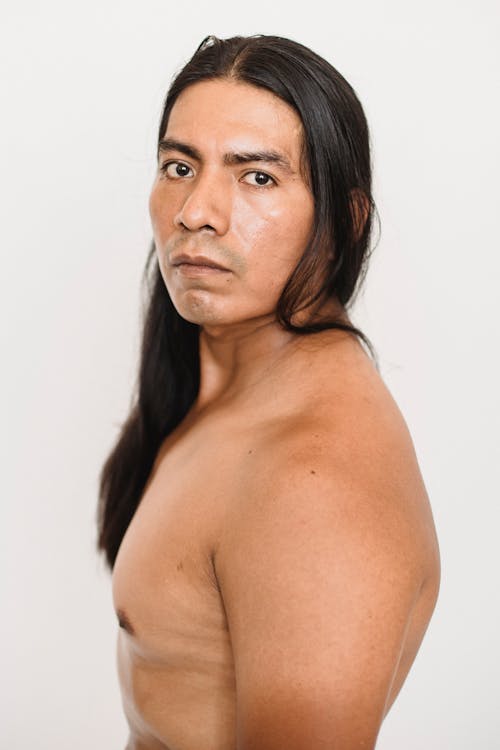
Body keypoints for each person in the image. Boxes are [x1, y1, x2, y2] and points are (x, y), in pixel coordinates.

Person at [97, 34, 440, 750]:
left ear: (345, 221)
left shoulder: (314, 476)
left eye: (257, 178)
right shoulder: (229, 395)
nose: (197, 212)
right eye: (179, 166)